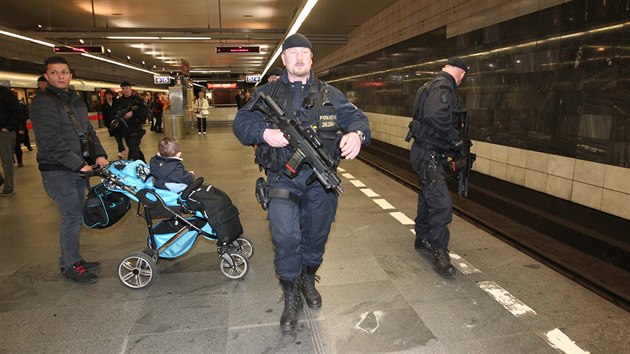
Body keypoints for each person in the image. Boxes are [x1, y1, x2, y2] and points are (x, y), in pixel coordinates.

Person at [233, 33, 370, 332]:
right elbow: (242, 123)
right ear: (284, 59)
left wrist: (356, 135)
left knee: (315, 239)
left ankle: (308, 278)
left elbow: (359, 120)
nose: (298, 58)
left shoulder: (330, 94)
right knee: (285, 239)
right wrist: (263, 133)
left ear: (311, 58)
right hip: (283, 178)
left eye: (303, 53)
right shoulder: (267, 92)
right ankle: (290, 293)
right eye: (292, 53)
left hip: (320, 182)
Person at [29, 56, 109, 284]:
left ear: (70, 74)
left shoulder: (75, 100)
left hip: (77, 169)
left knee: (75, 215)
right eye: (54, 73)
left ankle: (73, 258)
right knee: (72, 216)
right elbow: (51, 140)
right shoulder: (43, 102)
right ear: (46, 77)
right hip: (58, 171)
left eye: (64, 72)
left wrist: (99, 154)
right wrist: (77, 164)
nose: (60, 76)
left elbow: (88, 132)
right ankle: (71, 264)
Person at [409, 56, 469, 276]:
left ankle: (422, 237)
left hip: (424, 151)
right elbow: (435, 114)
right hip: (429, 154)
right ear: (461, 74)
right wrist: (454, 138)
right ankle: (439, 251)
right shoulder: (445, 86)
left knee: (428, 195)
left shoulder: (431, 84)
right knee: (442, 204)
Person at [112, 81, 148, 162]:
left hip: (135, 127)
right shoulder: (118, 102)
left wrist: (133, 113)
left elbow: (145, 111)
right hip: (125, 128)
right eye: (123, 88)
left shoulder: (137, 100)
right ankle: (143, 163)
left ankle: (132, 164)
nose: (125, 90)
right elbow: (114, 112)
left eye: (127, 88)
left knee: (133, 146)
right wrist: (115, 120)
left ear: (130, 88)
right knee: (133, 147)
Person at [0, 82, 19, 196]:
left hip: (4, 132)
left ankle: (9, 187)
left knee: (6, 160)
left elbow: (16, 111)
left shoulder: (5, 93)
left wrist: (8, 127)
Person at [101, 89, 126, 158]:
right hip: (111, 125)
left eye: (110, 95)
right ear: (105, 96)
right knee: (118, 138)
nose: (109, 96)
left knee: (119, 138)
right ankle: (122, 150)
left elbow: (121, 112)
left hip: (119, 123)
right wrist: (108, 125)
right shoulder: (104, 106)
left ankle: (121, 150)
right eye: (107, 95)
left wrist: (117, 120)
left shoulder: (117, 103)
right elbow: (104, 117)